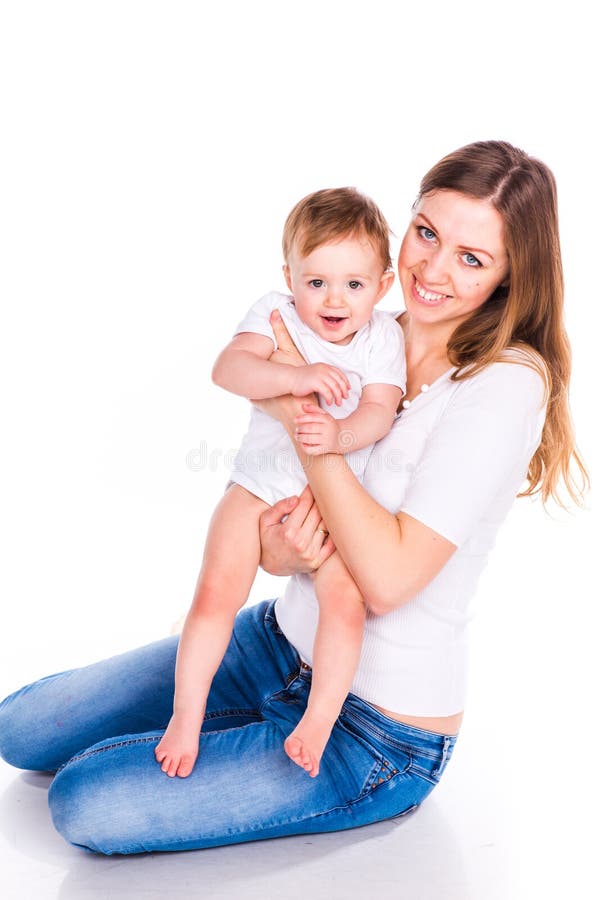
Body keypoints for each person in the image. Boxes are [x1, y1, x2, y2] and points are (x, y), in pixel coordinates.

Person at [0, 140, 588, 856]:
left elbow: (389, 578)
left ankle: (255, 741)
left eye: (472, 258)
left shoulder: (505, 386)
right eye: (428, 233)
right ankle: (223, 721)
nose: (431, 270)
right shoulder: (370, 328)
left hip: (377, 729)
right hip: (278, 642)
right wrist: (278, 549)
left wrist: (295, 412)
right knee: (22, 727)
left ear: (508, 276)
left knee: (84, 802)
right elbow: (277, 470)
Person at [155, 188, 406, 780]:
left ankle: (317, 723)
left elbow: (380, 408)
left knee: (346, 604)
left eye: (354, 284)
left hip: (337, 504)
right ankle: (186, 715)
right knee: (215, 595)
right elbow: (229, 369)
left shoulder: (383, 340)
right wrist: (296, 374)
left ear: (384, 284)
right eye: (315, 281)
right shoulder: (277, 314)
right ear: (289, 275)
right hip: (258, 487)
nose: (333, 299)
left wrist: (339, 436)